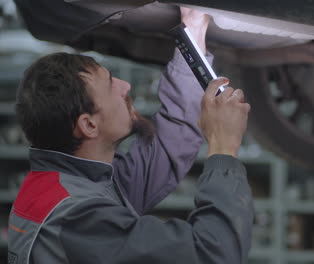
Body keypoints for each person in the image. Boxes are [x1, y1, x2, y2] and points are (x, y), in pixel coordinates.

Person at [7, 7, 253, 264]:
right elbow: (213, 254)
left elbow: (171, 141)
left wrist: (193, 34)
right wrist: (224, 146)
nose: (125, 86)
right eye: (111, 84)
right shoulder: (78, 218)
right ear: (89, 125)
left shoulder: (80, 181)